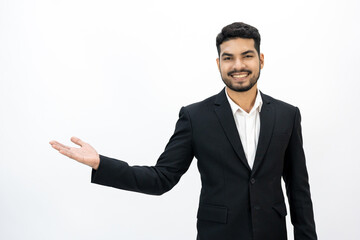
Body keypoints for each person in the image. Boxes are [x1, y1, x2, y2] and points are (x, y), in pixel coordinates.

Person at [50, 22, 317, 240]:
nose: (238, 66)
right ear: (218, 64)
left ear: (260, 59)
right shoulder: (195, 117)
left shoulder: (287, 115)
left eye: (247, 56)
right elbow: (161, 178)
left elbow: (299, 190)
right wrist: (101, 163)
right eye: (229, 58)